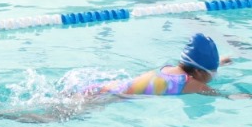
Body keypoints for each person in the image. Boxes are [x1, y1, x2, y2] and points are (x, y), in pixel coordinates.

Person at [87, 33, 229, 97]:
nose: (214, 75)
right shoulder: (191, 84)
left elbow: (196, 64)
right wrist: (236, 96)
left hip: (107, 88)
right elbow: (218, 95)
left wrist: (219, 62)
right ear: (198, 72)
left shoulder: (168, 69)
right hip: (114, 97)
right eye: (212, 72)